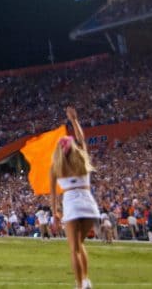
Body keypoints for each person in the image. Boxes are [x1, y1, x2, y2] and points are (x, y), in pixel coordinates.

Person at [50, 107, 100, 289]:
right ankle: (86, 280)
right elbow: (81, 139)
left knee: (74, 249)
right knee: (80, 245)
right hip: (89, 205)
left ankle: (79, 286)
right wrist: (74, 120)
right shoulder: (82, 160)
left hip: (72, 205)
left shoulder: (56, 167)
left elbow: (53, 194)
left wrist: (54, 213)